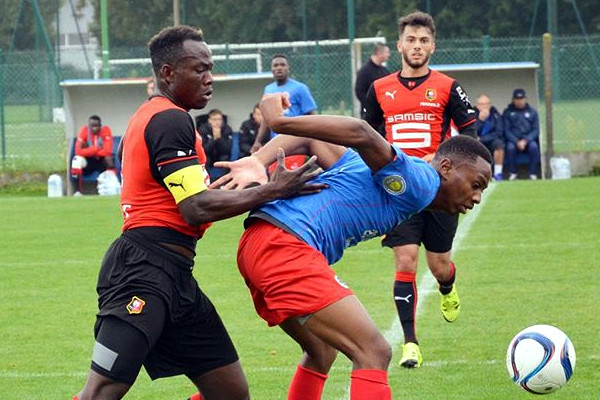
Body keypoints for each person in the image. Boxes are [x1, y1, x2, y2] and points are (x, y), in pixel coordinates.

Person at [71, 26, 325, 400]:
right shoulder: (169, 119)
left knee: (230, 393)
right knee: (104, 389)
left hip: (175, 275)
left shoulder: (162, 117)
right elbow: (194, 207)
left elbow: (194, 197)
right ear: (168, 73)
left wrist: (252, 186)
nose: (209, 79)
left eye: (210, 68)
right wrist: (273, 189)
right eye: (199, 70)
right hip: (142, 272)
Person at [212, 93, 492, 400]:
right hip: (285, 246)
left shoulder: (390, 173)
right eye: (476, 184)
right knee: (374, 350)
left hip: (259, 242)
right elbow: (361, 132)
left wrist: (258, 160)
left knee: (321, 351)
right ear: (447, 168)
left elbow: (310, 140)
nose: (476, 198)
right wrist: (278, 122)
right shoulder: (425, 182)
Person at [363, 11, 477, 369]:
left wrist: (440, 157)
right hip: (398, 190)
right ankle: (410, 344)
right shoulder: (379, 89)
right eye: (411, 40)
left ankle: (447, 286)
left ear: (433, 45)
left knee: (439, 265)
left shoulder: (447, 86)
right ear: (399, 45)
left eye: (423, 40)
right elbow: (366, 136)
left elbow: (471, 133)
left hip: (439, 192)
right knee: (405, 259)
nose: (417, 46)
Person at [250, 54, 317, 158]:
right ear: (271, 69)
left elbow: (312, 115)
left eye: (282, 65)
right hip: (276, 144)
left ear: (288, 68)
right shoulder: (268, 89)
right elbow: (265, 119)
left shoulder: (300, 88)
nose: (279, 68)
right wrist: (258, 141)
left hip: (297, 143)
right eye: (275, 65)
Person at [70, 115, 116, 194]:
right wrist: (96, 148)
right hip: (89, 161)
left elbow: (107, 151)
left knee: (109, 159)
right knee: (76, 160)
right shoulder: (84, 131)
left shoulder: (105, 130)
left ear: (100, 126)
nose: (94, 128)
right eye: (92, 126)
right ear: (89, 126)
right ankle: (78, 191)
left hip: (101, 161)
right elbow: (78, 151)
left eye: (96, 126)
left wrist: (87, 150)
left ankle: (112, 188)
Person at [502, 88, 540, 180]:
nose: (519, 101)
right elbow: (506, 130)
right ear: (513, 100)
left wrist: (526, 140)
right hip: (513, 140)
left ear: (525, 99)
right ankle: (513, 173)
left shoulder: (532, 112)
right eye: (517, 99)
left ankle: (533, 174)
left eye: (521, 99)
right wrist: (516, 141)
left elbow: (536, 130)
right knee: (510, 147)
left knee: (533, 147)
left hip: (528, 140)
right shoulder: (508, 112)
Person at [354, 42, 390, 119]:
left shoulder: (385, 71)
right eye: (387, 52)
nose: (388, 55)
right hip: (369, 113)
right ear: (379, 53)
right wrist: (371, 106)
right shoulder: (364, 71)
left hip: (384, 112)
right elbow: (359, 92)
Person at [475, 94, 505, 180]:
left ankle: (498, 173)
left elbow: (499, 132)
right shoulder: (472, 114)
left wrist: (483, 138)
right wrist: (480, 120)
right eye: (482, 104)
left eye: (487, 104)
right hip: (478, 141)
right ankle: (478, 174)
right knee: (473, 145)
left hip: (491, 140)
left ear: (490, 105)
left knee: (500, 145)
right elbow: (471, 131)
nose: (484, 106)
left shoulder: (495, 114)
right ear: (477, 105)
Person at [199, 108, 234, 180]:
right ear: (209, 120)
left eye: (219, 119)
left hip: (221, 155)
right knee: (204, 159)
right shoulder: (203, 129)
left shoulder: (227, 129)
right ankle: (206, 181)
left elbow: (227, 149)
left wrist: (219, 138)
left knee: (226, 157)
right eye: (214, 119)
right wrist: (214, 139)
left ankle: (224, 182)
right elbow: (204, 149)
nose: (217, 122)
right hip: (209, 155)